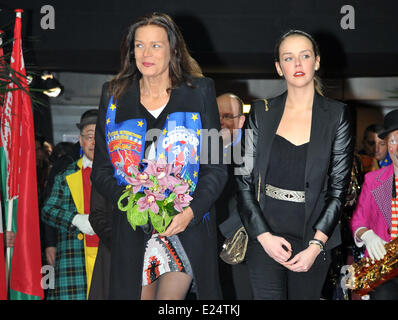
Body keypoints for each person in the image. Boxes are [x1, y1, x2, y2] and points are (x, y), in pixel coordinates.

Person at [91, 12, 227, 300]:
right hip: (133, 229)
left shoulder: (200, 92)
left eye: (156, 45)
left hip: (184, 225)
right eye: (139, 45)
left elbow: (216, 168)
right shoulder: (113, 96)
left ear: (173, 49)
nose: (146, 53)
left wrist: (190, 212)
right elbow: (100, 170)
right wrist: (132, 202)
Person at [235, 29, 353, 300]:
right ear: (279, 67)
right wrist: (263, 235)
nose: (297, 64)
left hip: (314, 236)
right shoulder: (260, 112)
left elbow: (338, 190)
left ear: (317, 61)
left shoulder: (337, 115)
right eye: (288, 58)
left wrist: (315, 245)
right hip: (264, 231)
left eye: (305, 56)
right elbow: (243, 181)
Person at [41, 109, 99, 300]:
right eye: (89, 136)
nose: (93, 142)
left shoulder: (121, 176)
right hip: (74, 261)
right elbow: (48, 211)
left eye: (98, 136)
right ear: (81, 141)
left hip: (109, 259)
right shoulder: (65, 175)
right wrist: (75, 219)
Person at [350, 108, 398, 300]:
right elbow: (358, 221)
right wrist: (368, 235)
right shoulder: (373, 180)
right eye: (394, 141)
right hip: (383, 267)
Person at [216, 93, 253, 299]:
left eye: (228, 116)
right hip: (205, 245)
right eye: (217, 115)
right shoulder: (197, 152)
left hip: (241, 246)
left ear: (241, 121)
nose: (221, 121)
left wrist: (225, 228)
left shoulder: (253, 152)